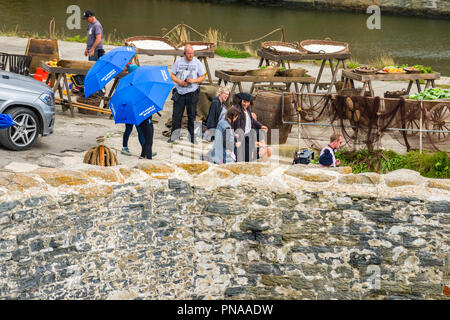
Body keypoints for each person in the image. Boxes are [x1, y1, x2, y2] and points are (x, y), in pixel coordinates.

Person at [169, 44, 206, 144]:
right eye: (189, 53)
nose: (191, 55)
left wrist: (193, 80)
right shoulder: (178, 61)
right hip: (180, 92)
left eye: (192, 53)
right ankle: (174, 136)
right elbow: (172, 75)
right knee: (176, 115)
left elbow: (203, 77)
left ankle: (192, 137)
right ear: (184, 53)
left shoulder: (197, 62)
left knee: (192, 115)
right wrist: (179, 81)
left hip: (192, 92)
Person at [232, 92, 268, 162]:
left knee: (262, 132)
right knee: (247, 158)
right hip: (243, 136)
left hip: (249, 133)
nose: (246, 104)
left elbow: (252, 120)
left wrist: (261, 126)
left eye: (247, 102)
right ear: (241, 100)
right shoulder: (237, 110)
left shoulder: (247, 109)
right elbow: (237, 126)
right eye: (244, 102)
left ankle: (262, 148)